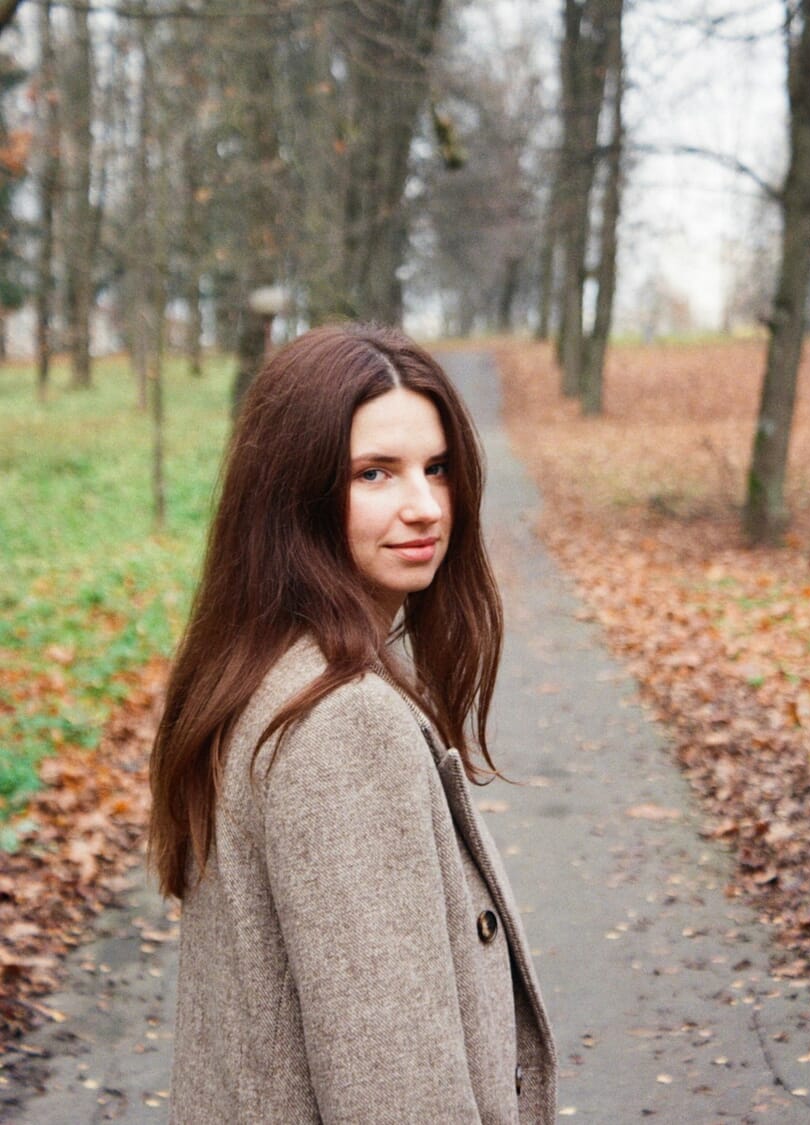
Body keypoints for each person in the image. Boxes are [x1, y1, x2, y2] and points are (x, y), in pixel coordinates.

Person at [148, 322, 557, 1123]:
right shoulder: (342, 724)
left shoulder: (254, 673)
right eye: (375, 473)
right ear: (291, 492)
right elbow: (394, 1085)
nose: (424, 506)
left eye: (436, 469)